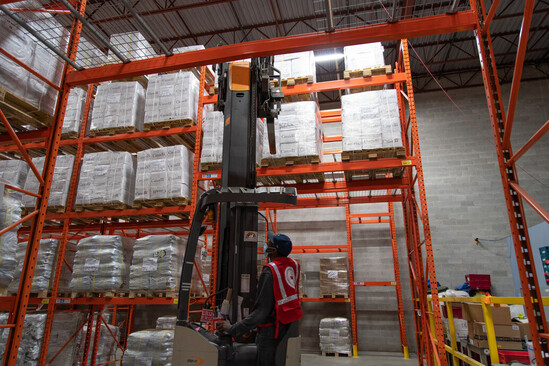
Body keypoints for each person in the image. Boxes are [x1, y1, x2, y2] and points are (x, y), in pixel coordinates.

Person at [216, 231, 302, 366]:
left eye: (269, 243)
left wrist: (233, 328)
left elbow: (261, 312)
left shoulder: (270, 271)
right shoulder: (293, 265)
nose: (266, 244)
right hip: (286, 326)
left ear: (273, 250)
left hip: (270, 332)